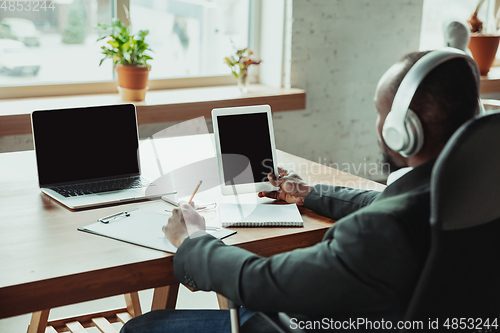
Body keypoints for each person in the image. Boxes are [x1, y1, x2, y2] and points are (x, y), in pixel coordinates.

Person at [120, 51, 479, 332]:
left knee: (143, 327)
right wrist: (307, 194)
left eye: (380, 112)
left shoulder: (378, 232)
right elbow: (386, 204)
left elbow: (262, 280)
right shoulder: (470, 190)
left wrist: (193, 239)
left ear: (405, 131)